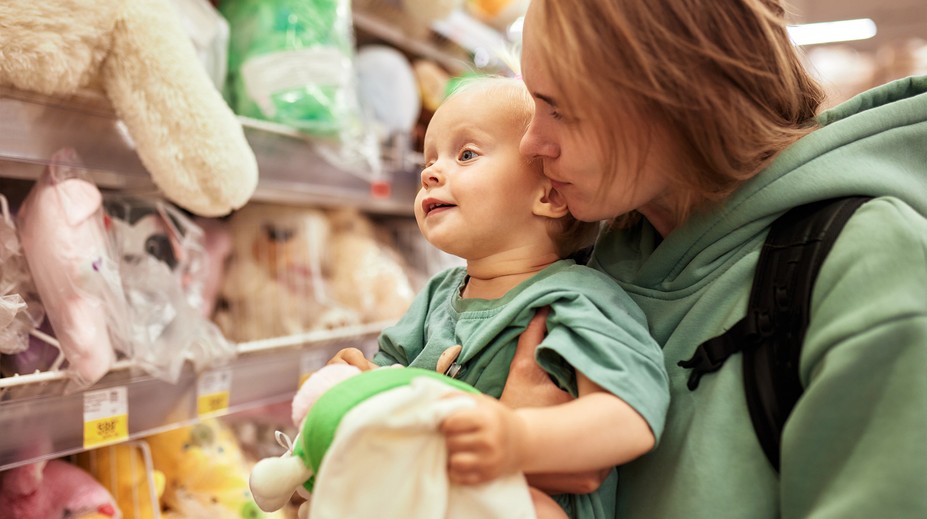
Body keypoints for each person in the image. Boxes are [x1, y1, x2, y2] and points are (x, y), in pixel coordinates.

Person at [510, 1, 927, 518]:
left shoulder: (870, 269)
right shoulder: (584, 266)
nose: (531, 144)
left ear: (679, 97)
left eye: (559, 109)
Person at [329, 76, 670, 519]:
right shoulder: (437, 295)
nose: (429, 173)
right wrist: (363, 382)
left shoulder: (578, 299)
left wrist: (517, 438)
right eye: (429, 159)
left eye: (466, 154)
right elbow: (393, 380)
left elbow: (629, 416)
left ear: (548, 195)